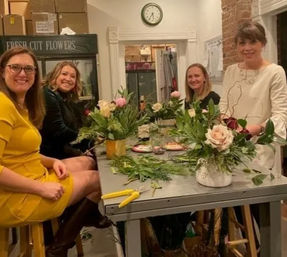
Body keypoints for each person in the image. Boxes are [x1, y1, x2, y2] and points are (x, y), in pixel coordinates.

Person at [0, 47, 111, 257]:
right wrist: (41, 188)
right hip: (15, 197)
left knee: (89, 164)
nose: (22, 74)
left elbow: (21, 153)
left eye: (28, 69)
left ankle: (66, 222)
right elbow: (61, 132)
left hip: (32, 173)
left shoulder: (19, 105)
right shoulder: (3, 105)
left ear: (36, 74)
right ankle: (59, 245)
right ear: (2, 71)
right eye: (15, 67)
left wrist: (51, 162)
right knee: (98, 179)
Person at [220, 21, 287, 169]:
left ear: (263, 43)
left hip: (260, 148)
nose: (247, 48)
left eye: (253, 42)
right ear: (237, 46)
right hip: (231, 146)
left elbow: (281, 115)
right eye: (242, 43)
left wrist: (255, 129)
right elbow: (224, 106)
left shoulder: (275, 72)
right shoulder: (231, 71)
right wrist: (229, 125)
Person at [40, 61, 92, 159]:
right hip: (50, 157)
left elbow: (76, 127)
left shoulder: (66, 99)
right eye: (64, 74)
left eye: (73, 76)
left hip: (62, 152)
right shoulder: (47, 94)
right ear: (55, 75)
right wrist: (87, 141)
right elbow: (58, 131)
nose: (68, 79)